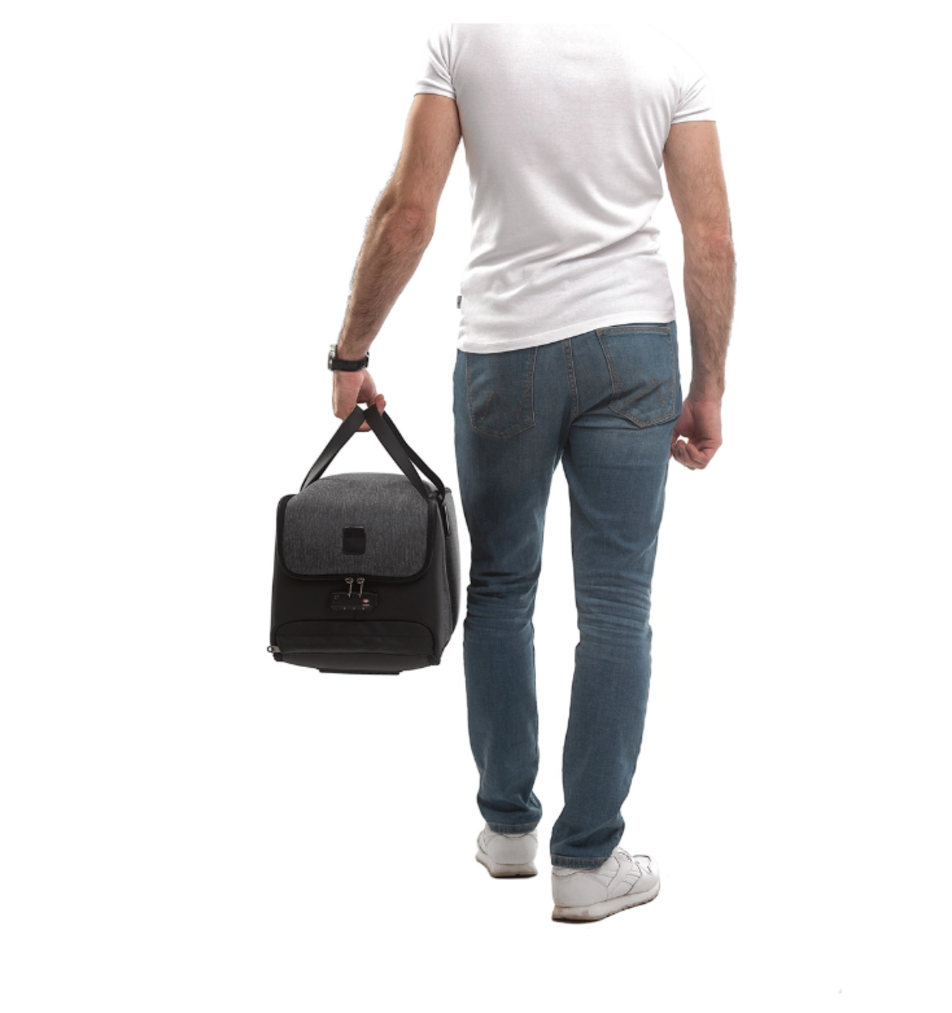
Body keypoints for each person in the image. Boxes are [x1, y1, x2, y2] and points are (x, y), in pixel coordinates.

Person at [329, 24, 736, 922]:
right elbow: (708, 236)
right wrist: (708, 385)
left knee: (503, 584)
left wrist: (351, 350)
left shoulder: (464, 41)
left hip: (504, 350)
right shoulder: (669, 54)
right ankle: (587, 862)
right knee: (617, 603)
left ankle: (508, 829)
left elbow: (408, 212)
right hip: (633, 349)